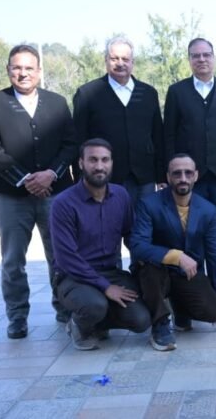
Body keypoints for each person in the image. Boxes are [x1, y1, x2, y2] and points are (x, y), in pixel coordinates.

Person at [0, 44, 78, 339]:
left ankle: (65, 310)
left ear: (39, 71)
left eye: (29, 68)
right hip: (10, 196)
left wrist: (51, 174)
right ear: (8, 69)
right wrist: (25, 180)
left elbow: (70, 145)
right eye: (17, 67)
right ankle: (17, 316)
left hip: (55, 193)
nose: (23, 73)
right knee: (12, 260)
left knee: (60, 256)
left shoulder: (57, 103)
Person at [163, 37, 216, 307]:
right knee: (192, 235)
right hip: (190, 180)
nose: (201, 59)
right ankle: (197, 289)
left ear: (214, 57)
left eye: (206, 55)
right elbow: (169, 135)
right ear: (189, 59)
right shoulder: (177, 92)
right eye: (196, 55)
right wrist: (169, 174)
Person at [50, 139, 151, 350]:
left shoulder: (121, 195)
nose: (99, 166)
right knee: (94, 305)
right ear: (81, 163)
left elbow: (131, 236)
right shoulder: (63, 203)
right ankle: (79, 324)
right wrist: (106, 287)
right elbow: (67, 258)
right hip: (73, 277)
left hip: (111, 272)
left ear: (112, 163)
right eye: (93, 160)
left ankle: (98, 321)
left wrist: (151, 259)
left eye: (105, 160)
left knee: (141, 320)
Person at [129, 154, 216, 351]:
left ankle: (180, 306)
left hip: (185, 274)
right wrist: (177, 256)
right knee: (150, 270)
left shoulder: (208, 210)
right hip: (155, 271)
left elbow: (214, 254)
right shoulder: (148, 204)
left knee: (212, 312)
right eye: (177, 173)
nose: (183, 178)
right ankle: (160, 324)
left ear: (196, 176)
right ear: (168, 177)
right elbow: (137, 245)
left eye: (188, 173)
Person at [72, 36, 165, 203]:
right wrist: (81, 178)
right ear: (106, 60)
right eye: (114, 58)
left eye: (125, 59)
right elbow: (79, 139)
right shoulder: (87, 94)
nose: (120, 63)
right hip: (104, 178)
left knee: (144, 220)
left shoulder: (149, 93)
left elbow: (158, 136)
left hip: (144, 178)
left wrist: (161, 176)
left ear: (132, 62)